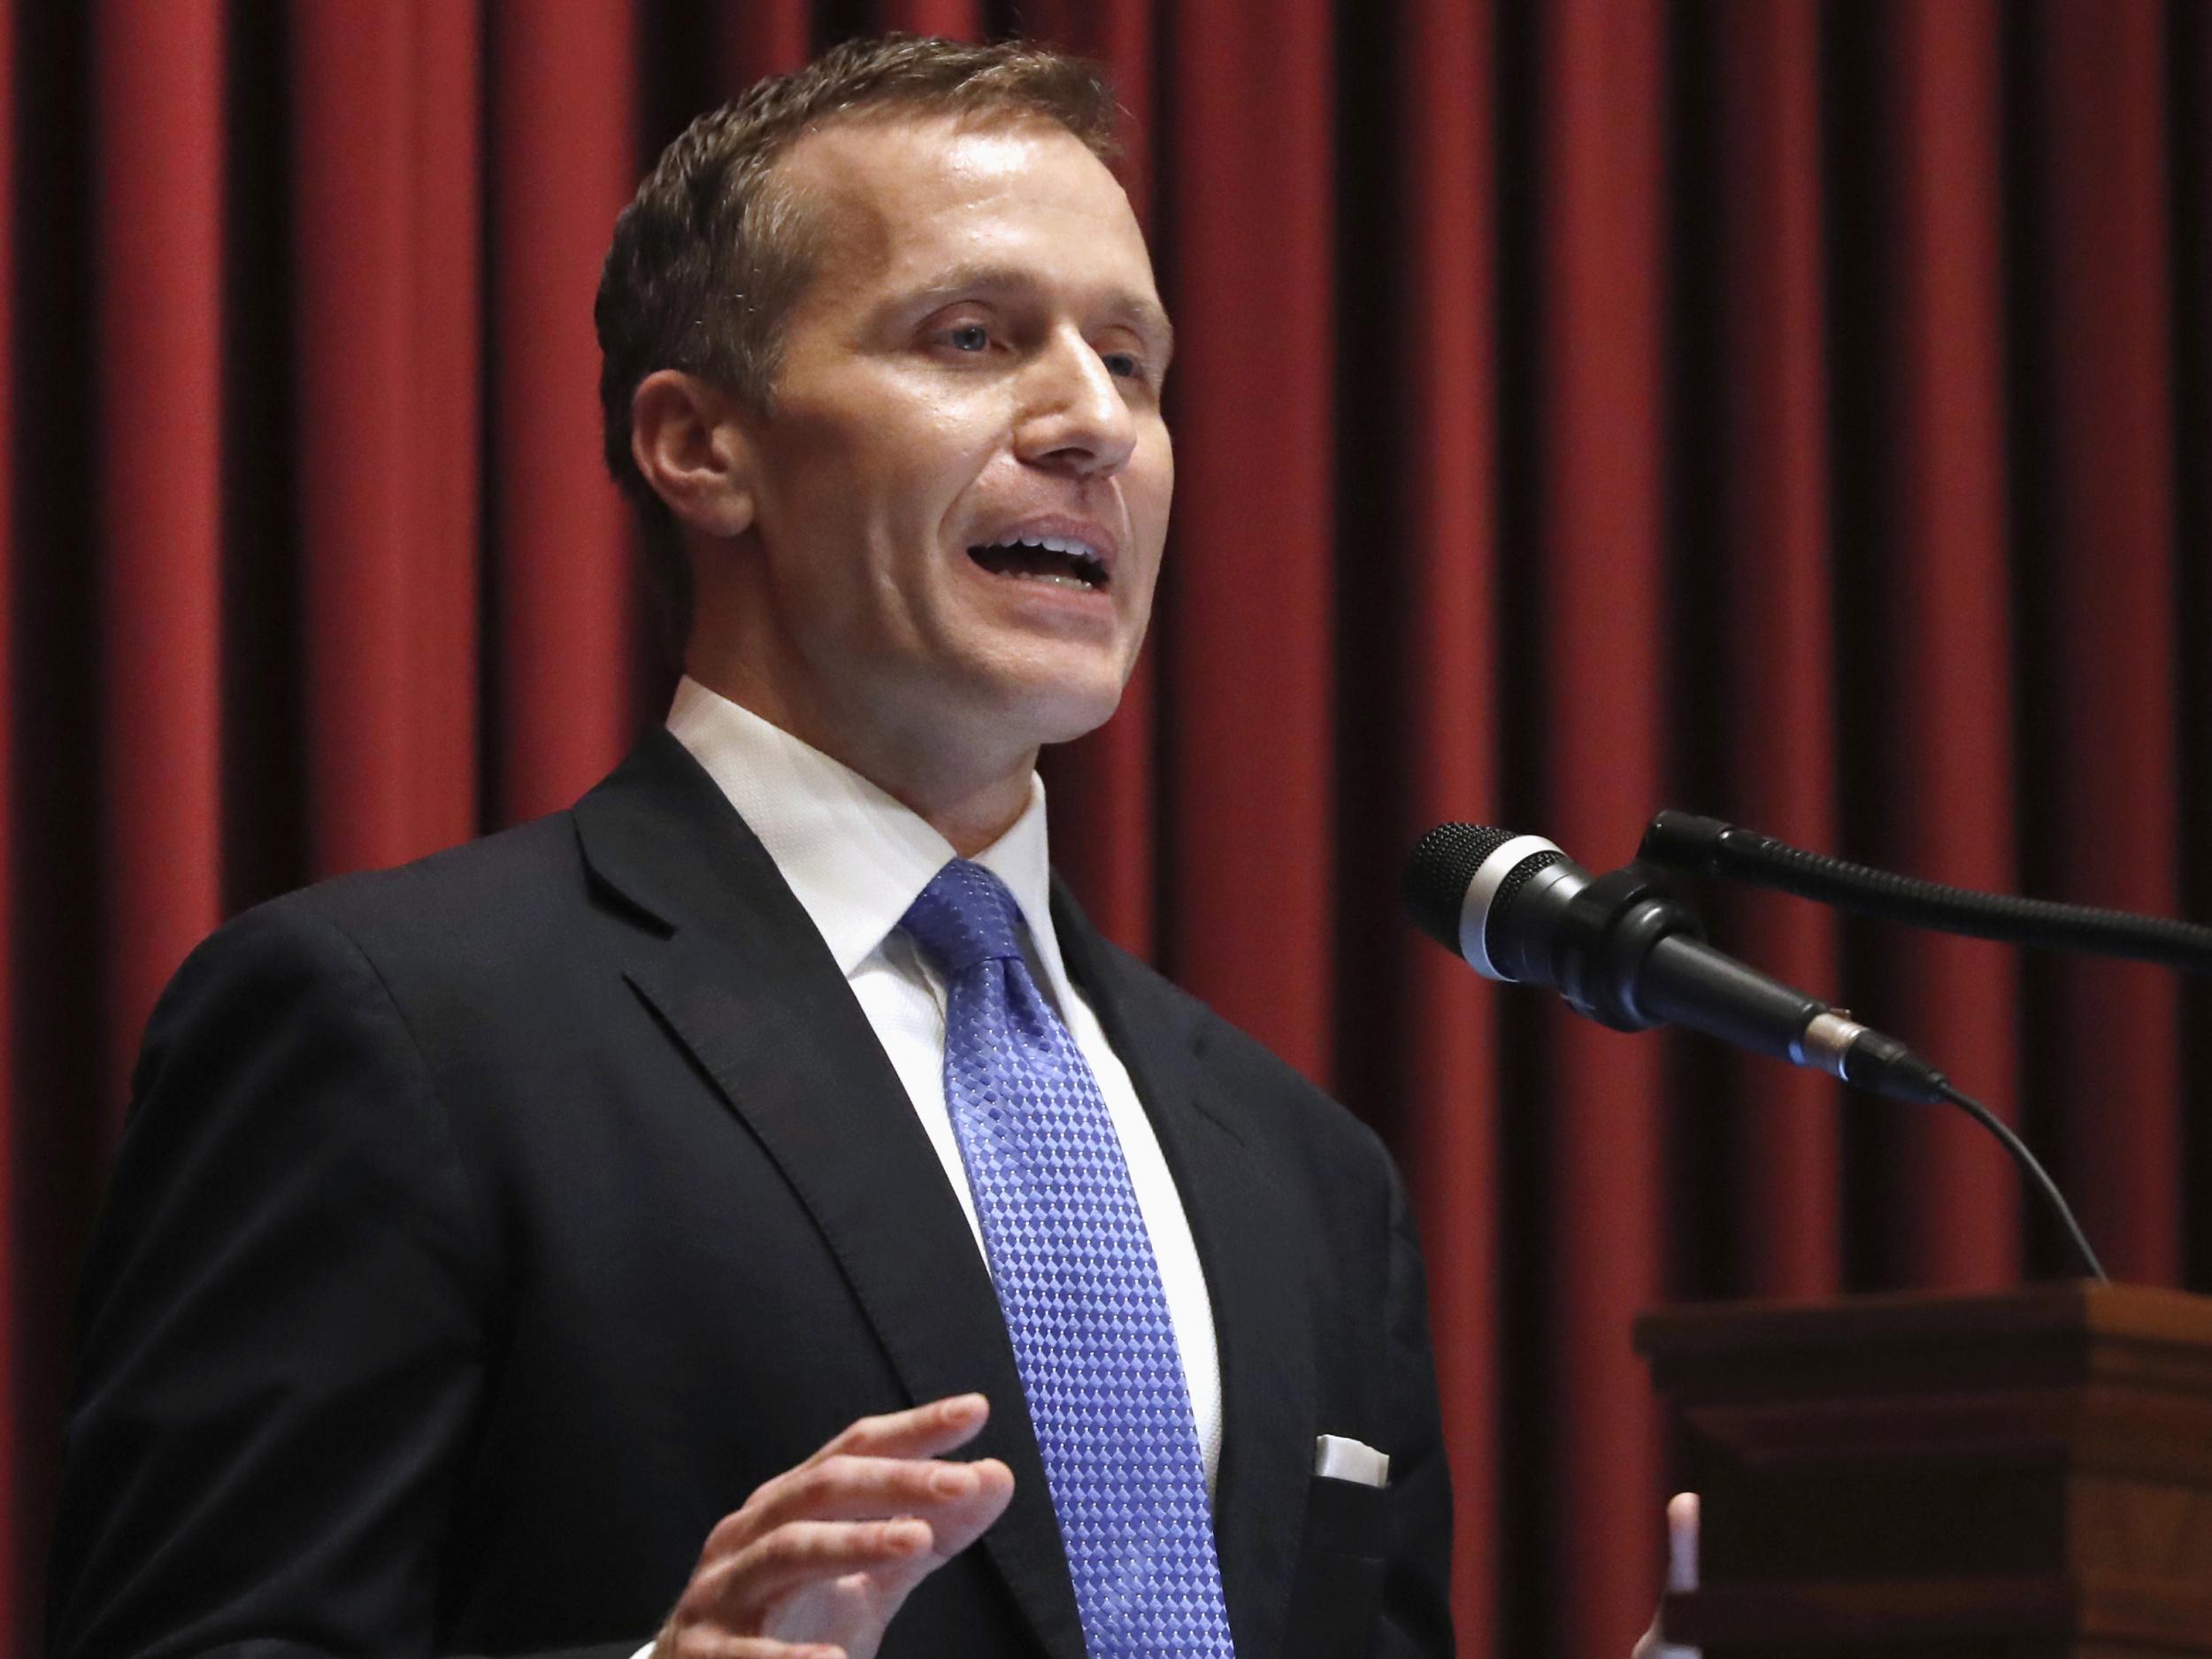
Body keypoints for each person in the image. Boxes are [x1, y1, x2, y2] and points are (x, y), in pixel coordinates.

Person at [49, 36, 1453, 1659]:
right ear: (700, 448)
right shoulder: (396, 1031)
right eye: (976, 335)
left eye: (1133, 364)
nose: (1093, 424)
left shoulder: (1307, 1170)